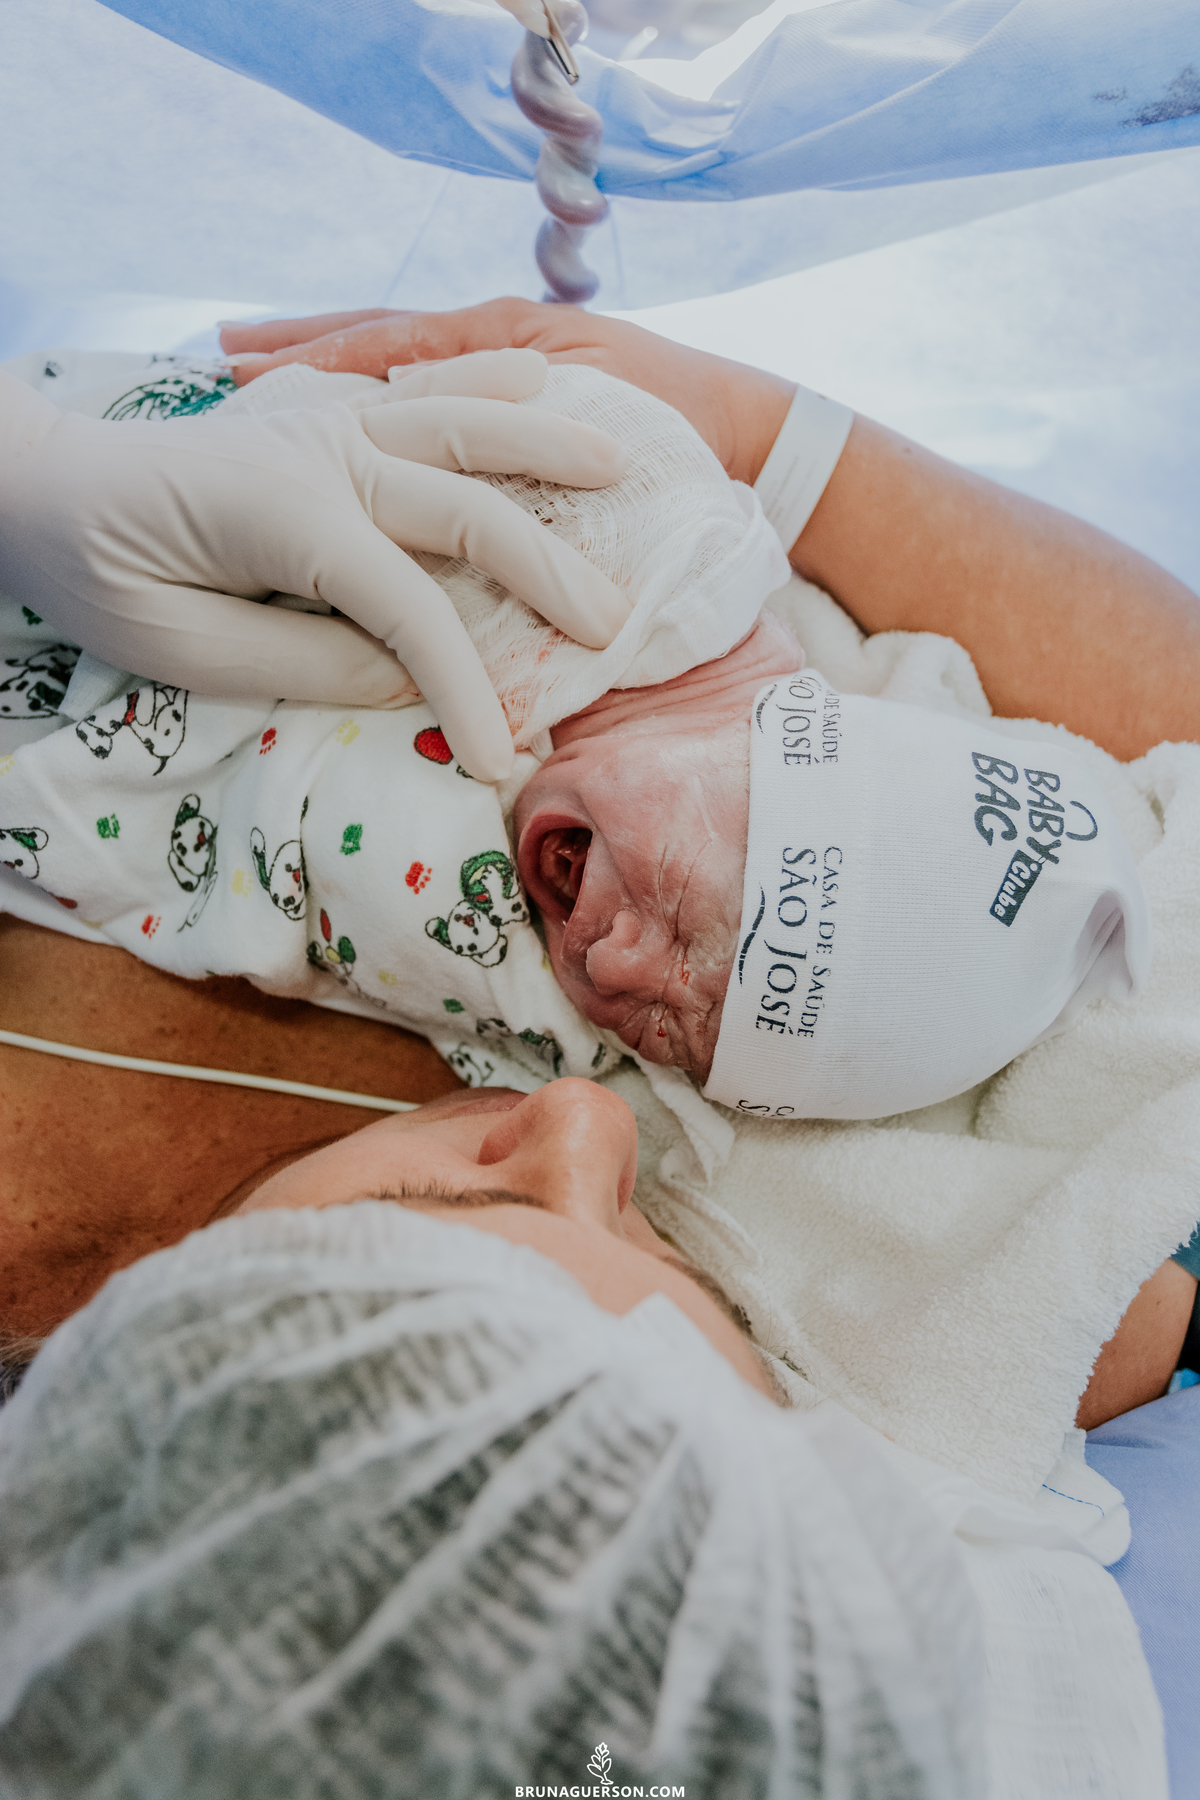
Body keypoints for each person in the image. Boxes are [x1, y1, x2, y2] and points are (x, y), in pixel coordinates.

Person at [1, 300, 1196, 1426]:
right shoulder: (670, 603)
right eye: (649, 1236)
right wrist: (761, 437)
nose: (587, 1120)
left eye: (448, 1207)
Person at [0, 343, 1149, 1118]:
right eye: (704, 939)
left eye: (670, 1034)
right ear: (778, 749)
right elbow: (466, 412)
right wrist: (44, 464)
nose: (614, 966)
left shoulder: (526, 929)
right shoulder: (665, 538)